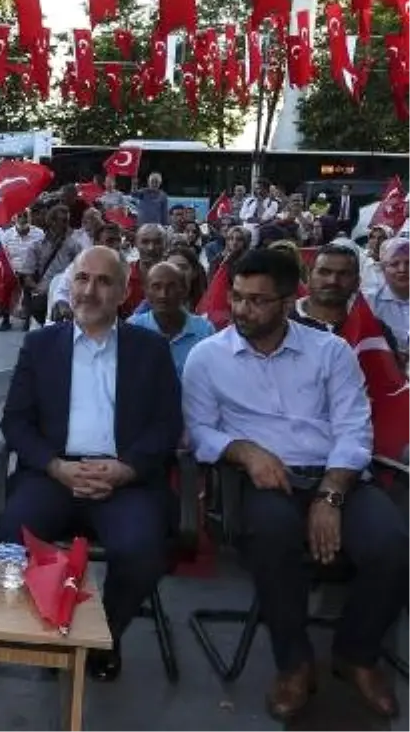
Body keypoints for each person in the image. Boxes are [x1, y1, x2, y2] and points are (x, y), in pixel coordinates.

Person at [182, 248, 410, 722]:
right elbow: (200, 432)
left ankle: (356, 654)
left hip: (336, 474)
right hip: (262, 481)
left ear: (289, 302)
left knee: (392, 545)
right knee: (273, 539)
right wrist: (244, 450)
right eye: (238, 298)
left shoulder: (332, 352)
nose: (243, 310)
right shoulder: (208, 357)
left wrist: (330, 495)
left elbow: (354, 430)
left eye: (258, 301)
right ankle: (294, 663)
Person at [0, 246, 182, 682]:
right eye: (82, 279)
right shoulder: (41, 345)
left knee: (142, 549)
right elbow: (15, 421)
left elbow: (166, 424)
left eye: (103, 282)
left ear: (122, 292)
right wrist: (55, 466)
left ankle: (105, 633)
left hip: (124, 479)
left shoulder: (150, 349)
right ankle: (51, 624)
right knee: (15, 537)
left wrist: (126, 469)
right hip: (55, 474)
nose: (90, 290)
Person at [128, 262, 214, 375]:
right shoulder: (132, 328)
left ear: (184, 290)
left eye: (171, 287)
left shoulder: (204, 330)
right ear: (146, 291)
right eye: (156, 287)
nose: (163, 294)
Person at [21, 204, 83, 327]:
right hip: (44, 291)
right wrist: (37, 287)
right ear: (52, 222)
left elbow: (82, 270)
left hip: (67, 290)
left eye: (68, 221)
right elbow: (27, 276)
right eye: (63, 221)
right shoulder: (37, 246)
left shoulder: (74, 245)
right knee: (40, 306)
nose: (67, 225)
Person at [365, 237, 410, 350]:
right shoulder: (370, 301)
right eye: (394, 264)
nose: (402, 269)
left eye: (409, 263)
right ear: (383, 268)